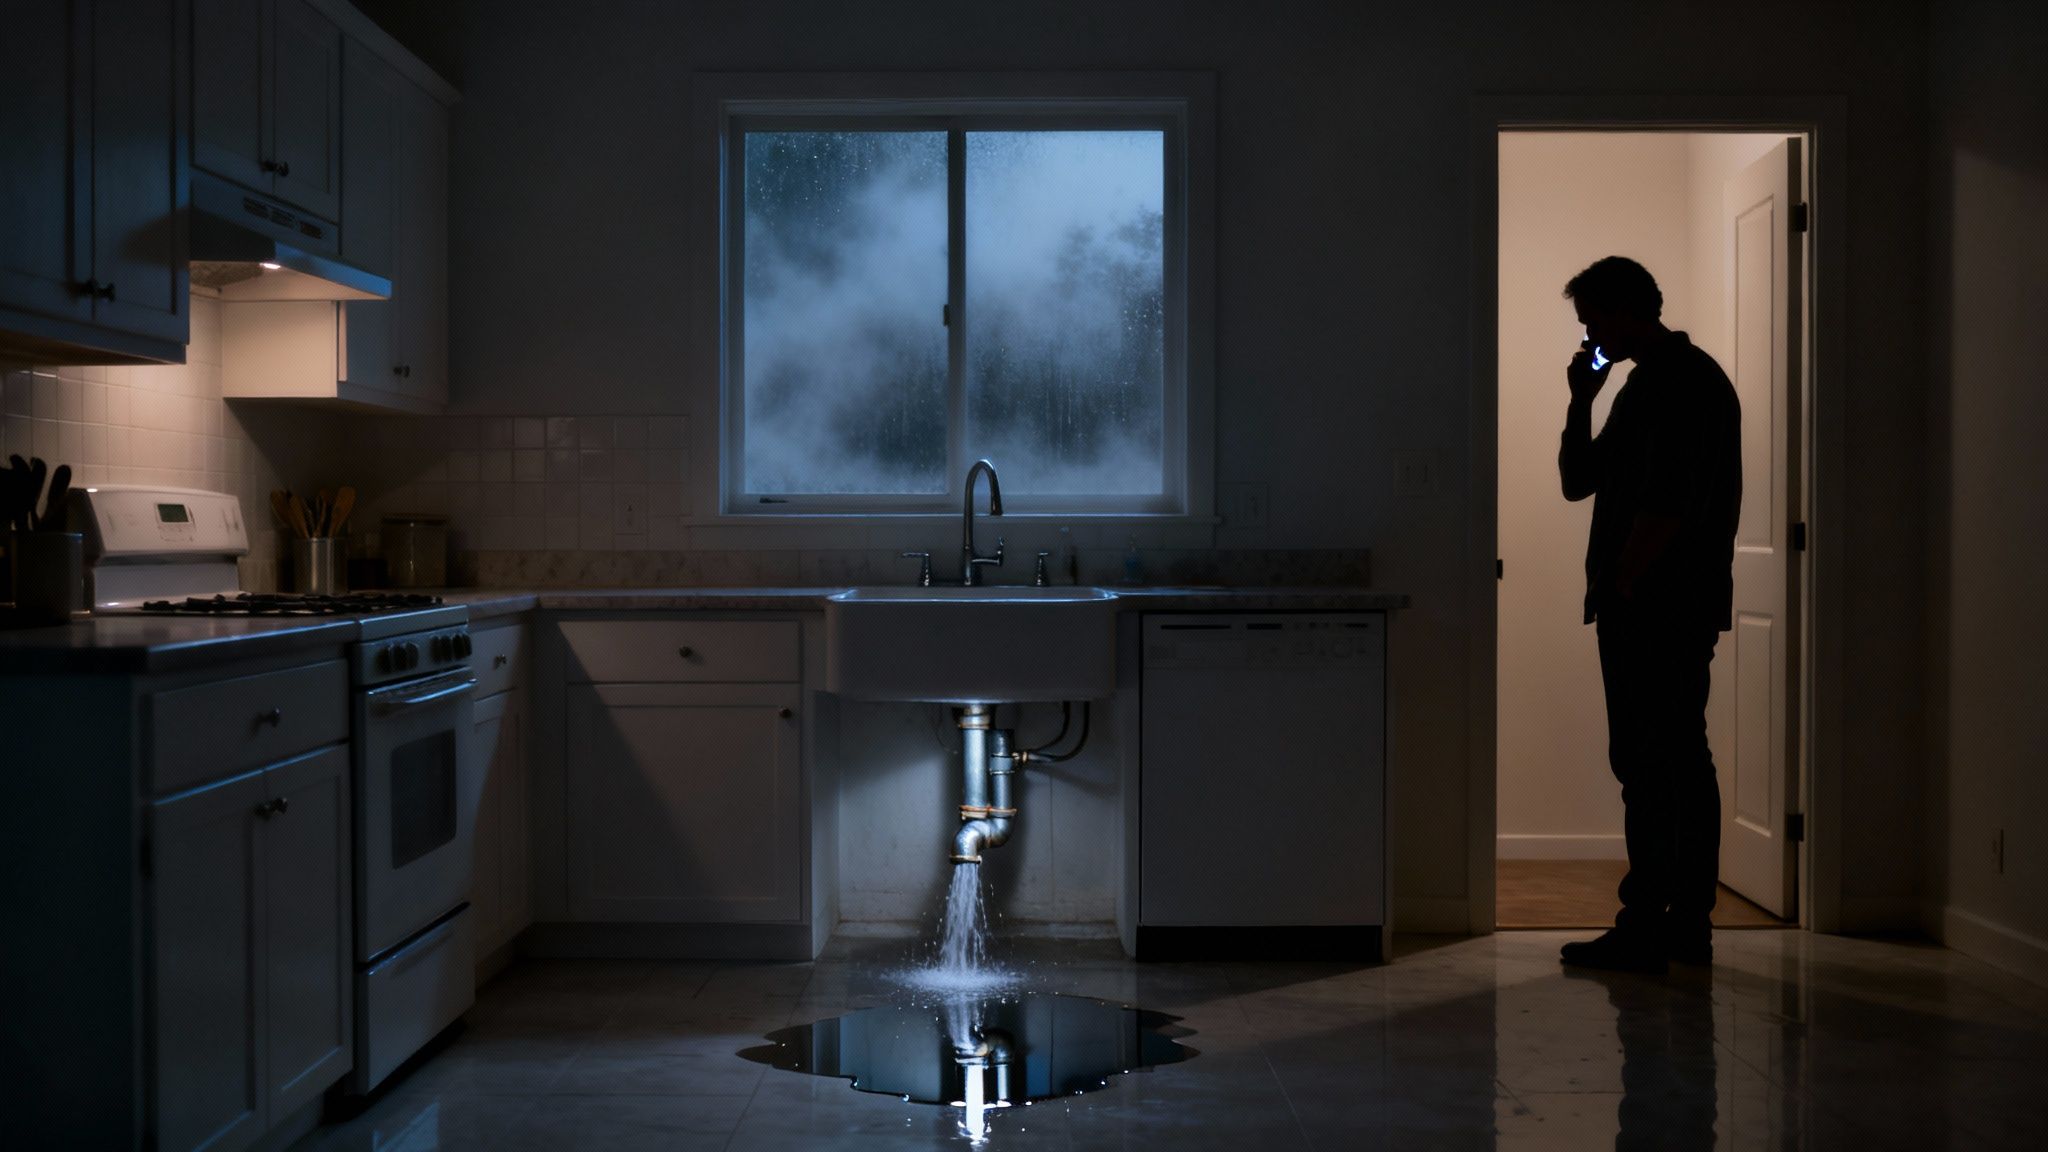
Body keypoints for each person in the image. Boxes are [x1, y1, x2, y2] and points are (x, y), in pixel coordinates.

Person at [1555, 256, 1741, 974]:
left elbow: (1669, 505)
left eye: (1594, 320)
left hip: (1664, 605)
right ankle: (1663, 923)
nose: (1589, 334)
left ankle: (1670, 924)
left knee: (1670, 762)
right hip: (1648, 604)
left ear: (1627, 309)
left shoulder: (1685, 383)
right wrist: (1582, 398)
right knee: (1650, 761)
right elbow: (1580, 483)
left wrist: (1623, 582)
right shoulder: (1639, 386)